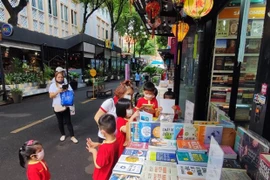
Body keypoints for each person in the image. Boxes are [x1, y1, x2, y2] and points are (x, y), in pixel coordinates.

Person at [86, 114, 119, 180]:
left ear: (103, 132)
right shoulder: (115, 139)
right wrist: (98, 144)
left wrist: (94, 151)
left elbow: (98, 165)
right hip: (109, 173)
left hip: (101, 176)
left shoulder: (104, 148)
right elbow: (109, 151)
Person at [49, 71, 78, 143]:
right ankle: (63, 134)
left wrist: (66, 90)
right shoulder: (52, 86)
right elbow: (51, 96)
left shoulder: (66, 85)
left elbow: (72, 93)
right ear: (55, 78)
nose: (60, 78)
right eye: (58, 77)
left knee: (68, 121)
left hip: (66, 105)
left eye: (61, 77)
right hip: (56, 106)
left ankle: (72, 136)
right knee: (60, 122)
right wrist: (58, 91)